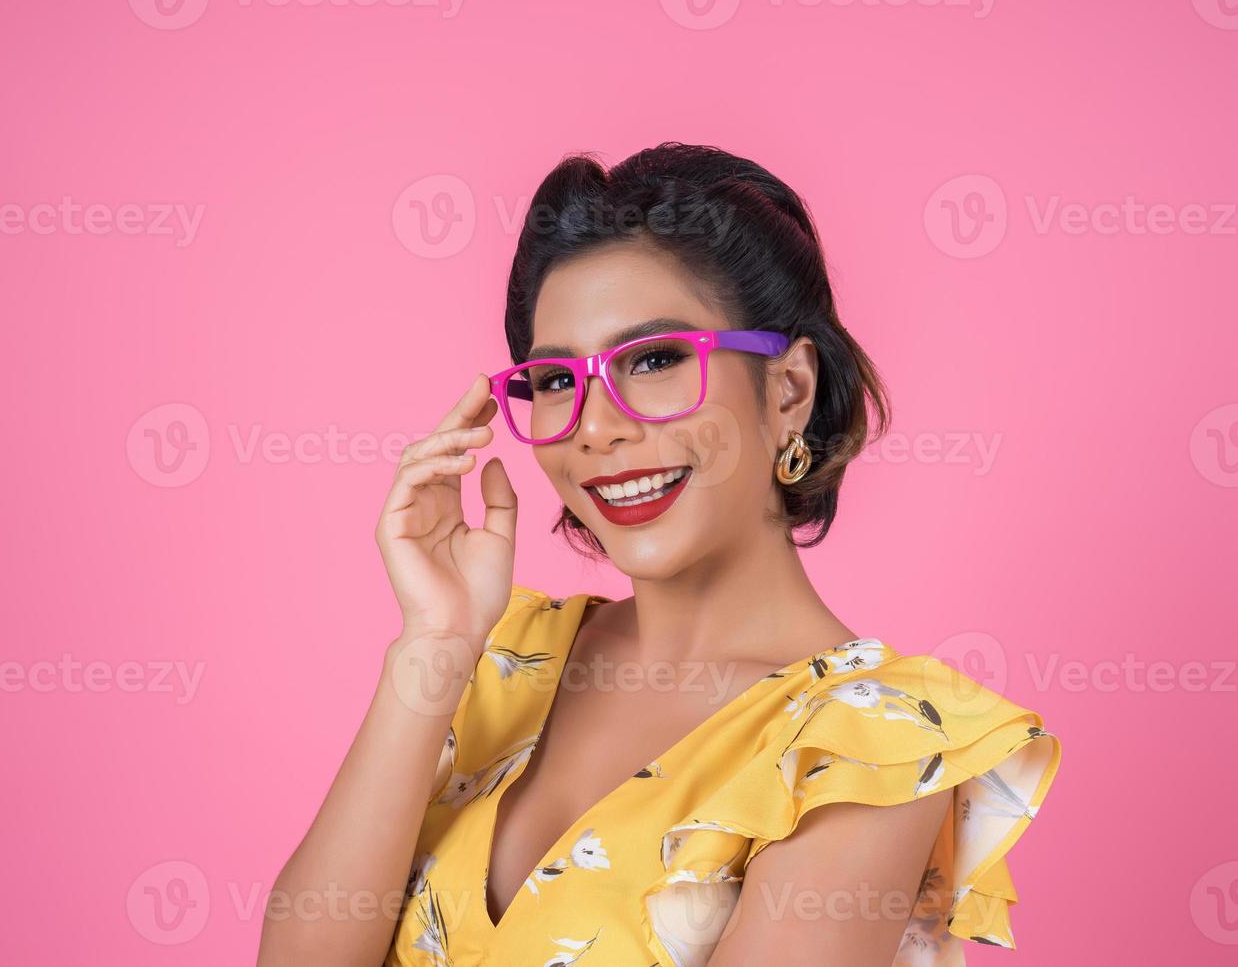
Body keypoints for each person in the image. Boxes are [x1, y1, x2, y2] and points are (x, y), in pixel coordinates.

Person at [257, 143, 1061, 967]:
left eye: (655, 360)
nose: (599, 427)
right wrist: (434, 642)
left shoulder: (865, 744)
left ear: (788, 391)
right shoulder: (502, 658)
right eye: (559, 380)